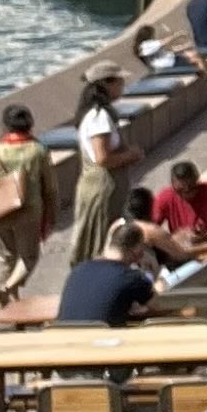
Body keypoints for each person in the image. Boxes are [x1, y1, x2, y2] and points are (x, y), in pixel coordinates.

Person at [0, 105, 51, 311]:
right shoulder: (38, 150)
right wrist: (52, 213)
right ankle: (9, 287)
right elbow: (50, 187)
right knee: (29, 257)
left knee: (5, 258)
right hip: (29, 211)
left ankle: (6, 307)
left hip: (1, 210)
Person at [69, 65, 136, 264]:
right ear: (106, 84)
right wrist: (132, 154)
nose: (122, 86)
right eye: (119, 81)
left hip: (105, 186)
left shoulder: (97, 115)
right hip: (102, 186)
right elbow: (103, 158)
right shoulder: (99, 118)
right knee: (100, 238)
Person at [56, 224, 158, 328]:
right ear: (136, 251)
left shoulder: (78, 269)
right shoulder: (132, 278)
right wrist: (149, 272)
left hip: (63, 335)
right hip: (102, 339)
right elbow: (156, 307)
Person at [150, 160, 207, 249]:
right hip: (185, 251)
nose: (186, 193)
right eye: (180, 191)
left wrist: (206, 236)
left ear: (197, 180)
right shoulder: (165, 197)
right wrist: (174, 239)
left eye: (191, 188)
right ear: (173, 185)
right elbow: (149, 228)